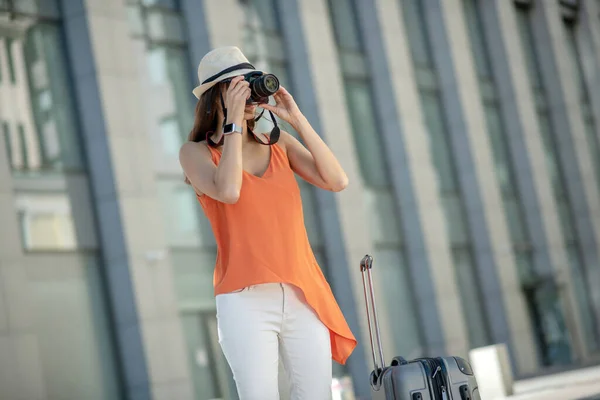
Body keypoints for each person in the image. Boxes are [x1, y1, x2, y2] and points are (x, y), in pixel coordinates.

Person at [179, 46, 357, 400]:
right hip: (245, 299)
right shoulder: (196, 153)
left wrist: (296, 118)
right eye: (239, 86)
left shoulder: (280, 146)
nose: (250, 92)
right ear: (218, 95)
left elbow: (337, 181)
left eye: (251, 83)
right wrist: (231, 122)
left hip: (303, 293)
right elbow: (228, 191)